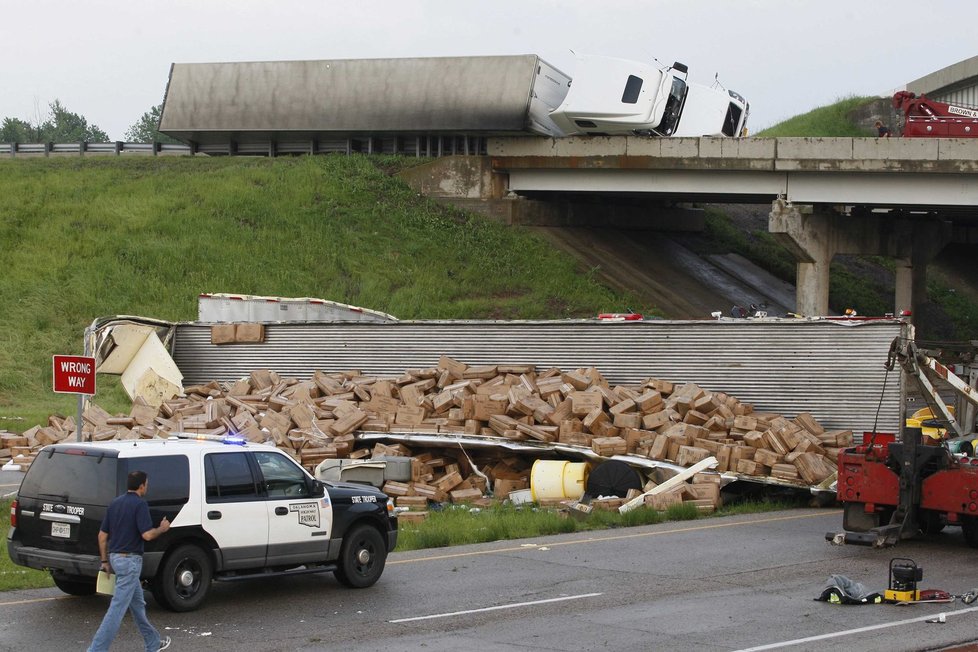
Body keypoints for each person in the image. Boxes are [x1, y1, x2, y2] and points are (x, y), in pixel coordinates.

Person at [88, 470, 172, 652]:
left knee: (138, 604)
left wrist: (104, 561)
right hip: (130, 562)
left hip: (116, 559)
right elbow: (147, 535)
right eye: (147, 484)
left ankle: (153, 643)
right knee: (116, 610)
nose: (147, 486)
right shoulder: (140, 505)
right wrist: (162, 528)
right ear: (142, 486)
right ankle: (95, 650)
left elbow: (102, 536)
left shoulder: (115, 503)